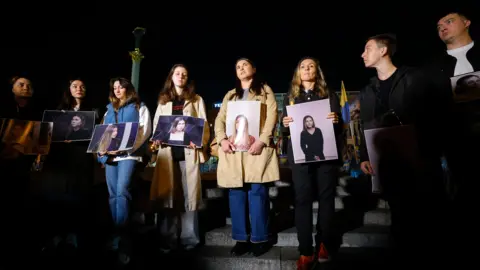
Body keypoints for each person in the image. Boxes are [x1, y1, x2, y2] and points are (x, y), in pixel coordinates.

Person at [359, 33, 450, 261]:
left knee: (426, 215)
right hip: (388, 164)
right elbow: (365, 125)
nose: (362, 54)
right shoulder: (368, 90)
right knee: (398, 217)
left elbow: (433, 116)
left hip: (419, 159)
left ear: (383, 50)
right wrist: (364, 155)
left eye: (367, 48)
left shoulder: (414, 78)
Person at [214, 58, 279, 257]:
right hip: (234, 151)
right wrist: (222, 140)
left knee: (258, 193)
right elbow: (220, 119)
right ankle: (241, 238)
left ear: (254, 69)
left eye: (245, 65)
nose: (241, 68)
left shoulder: (265, 91)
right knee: (236, 195)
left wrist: (262, 140)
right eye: (238, 66)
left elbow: (272, 116)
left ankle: (259, 238)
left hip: (255, 150)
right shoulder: (230, 95)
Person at [282, 57, 341, 268]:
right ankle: (305, 249)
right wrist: (284, 123)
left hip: (326, 157)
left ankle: (324, 243)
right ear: (298, 72)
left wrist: (336, 120)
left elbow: (338, 127)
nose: (307, 69)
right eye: (302, 67)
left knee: (326, 199)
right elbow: (284, 131)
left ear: (318, 71)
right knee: (302, 200)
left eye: (311, 66)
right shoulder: (290, 97)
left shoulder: (329, 95)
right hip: (300, 158)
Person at [150, 64, 210, 252]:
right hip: (168, 155)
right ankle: (167, 239)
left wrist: (199, 140)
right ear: (172, 77)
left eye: (184, 74)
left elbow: (204, 124)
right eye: (177, 73)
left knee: (189, 196)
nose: (181, 76)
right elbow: (157, 126)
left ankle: (189, 239)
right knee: (168, 197)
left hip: (188, 154)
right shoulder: (163, 101)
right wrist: (157, 139)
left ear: (187, 78)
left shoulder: (196, 99)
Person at [39, 79, 98, 258]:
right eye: (75, 86)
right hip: (61, 157)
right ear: (69, 89)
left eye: (82, 86)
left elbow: (97, 135)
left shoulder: (94, 111)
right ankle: (57, 234)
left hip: (82, 157)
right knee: (58, 195)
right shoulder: (58, 111)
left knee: (79, 195)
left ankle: (73, 235)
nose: (79, 89)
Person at [98, 77, 152, 265]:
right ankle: (116, 235)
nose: (118, 89)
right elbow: (104, 132)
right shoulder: (108, 110)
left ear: (128, 88)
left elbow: (144, 131)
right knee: (112, 195)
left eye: (121, 86)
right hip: (110, 157)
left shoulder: (139, 106)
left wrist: (124, 147)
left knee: (122, 192)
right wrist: (101, 152)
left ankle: (123, 240)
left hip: (128, 156)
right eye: (114, 87)